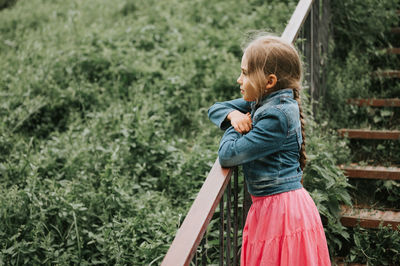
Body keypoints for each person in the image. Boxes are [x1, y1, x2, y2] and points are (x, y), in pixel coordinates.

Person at [208, 35, 331, 265]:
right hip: (271, 209)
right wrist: (233, 115)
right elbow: (215, 108)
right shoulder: (264, 100)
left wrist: (238, 125)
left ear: (270, 81)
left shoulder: (275, 116)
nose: (239, 79)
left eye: (245, 73)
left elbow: (227, 155)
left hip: (282, 214)